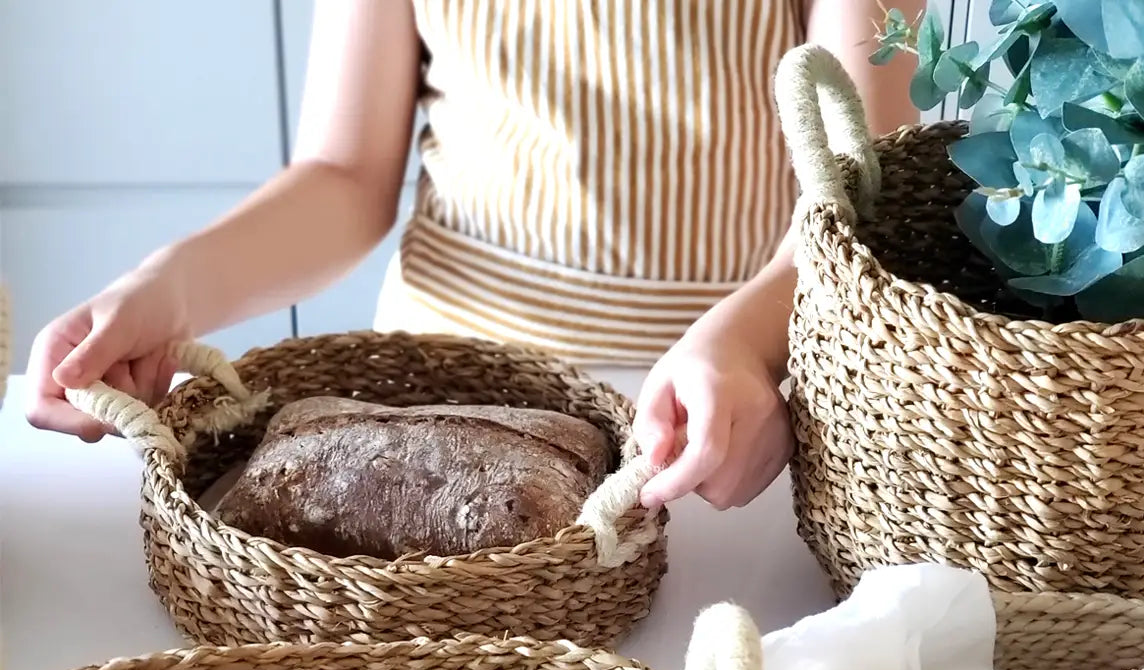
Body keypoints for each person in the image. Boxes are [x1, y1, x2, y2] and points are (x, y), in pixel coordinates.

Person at [25, 0, 915, 510]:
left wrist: (751, 346)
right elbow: (343, 176)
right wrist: (164, 294)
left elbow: (864, 186)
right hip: (424, 402)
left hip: (706, 422)